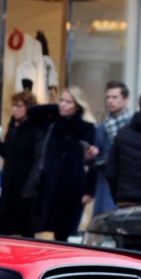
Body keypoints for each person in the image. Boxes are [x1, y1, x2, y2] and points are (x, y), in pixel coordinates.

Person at [28, 87, 97, 242]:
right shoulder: (53, 123)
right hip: (51, 183)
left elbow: (91, 162)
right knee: (48, 228)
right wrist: (57, 107)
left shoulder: (86, 127)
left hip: (73, 185)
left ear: (77, 105)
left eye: (68, 102)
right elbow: (33, 113)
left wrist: (89, 190)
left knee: (66, 231)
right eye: (62, 100)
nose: (63, 105)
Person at [0, 91, 42, 236]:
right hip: (10, 183)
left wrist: (30, 186)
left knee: (25, 227)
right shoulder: (14, 126)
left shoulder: (36, 129)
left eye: (18, 106)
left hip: (25, 184)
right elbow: (7, 152)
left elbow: (37, 159)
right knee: (5, 226)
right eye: (14, 106)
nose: (14, 109)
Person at [92, 81, 131, 215]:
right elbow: (93, 160)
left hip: (128, 183)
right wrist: (91, 156)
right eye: (108, 97)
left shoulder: (133, 125)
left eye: (115, 97)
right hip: (106, 184)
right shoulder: (102, 128)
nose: (110, 101)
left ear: (126, 99)